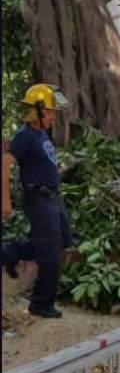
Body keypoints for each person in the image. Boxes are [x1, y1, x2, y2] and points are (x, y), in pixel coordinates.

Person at [1, 84, 74, 319]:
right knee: (50, 250)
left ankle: (8, 252)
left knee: (63, 239)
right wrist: (5, 202)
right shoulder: (24, 136)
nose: (53, 116)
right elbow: (4, 164)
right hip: (38, 198)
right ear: (38, 111)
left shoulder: (42, 133)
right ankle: (41, 304)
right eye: (50, 112)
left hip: (53, 196)